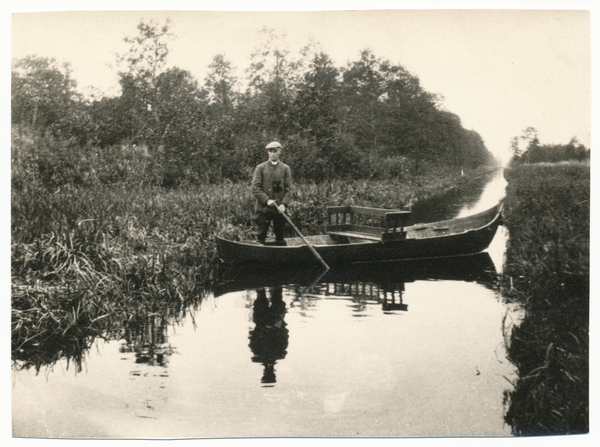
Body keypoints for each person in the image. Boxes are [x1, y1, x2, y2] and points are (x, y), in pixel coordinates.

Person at [251, 141, 294, 245]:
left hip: (279, 209)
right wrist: (266, 200)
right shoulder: (260, 168)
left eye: (275, 151)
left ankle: (280, 259)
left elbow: (289, 189)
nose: (273, 153)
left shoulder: (285, 168)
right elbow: (255, 188)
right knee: (261, 237)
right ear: (268, 153)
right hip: (263, 209)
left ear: (279, 152)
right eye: (270, 151)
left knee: (280, 237)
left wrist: (284, 204)